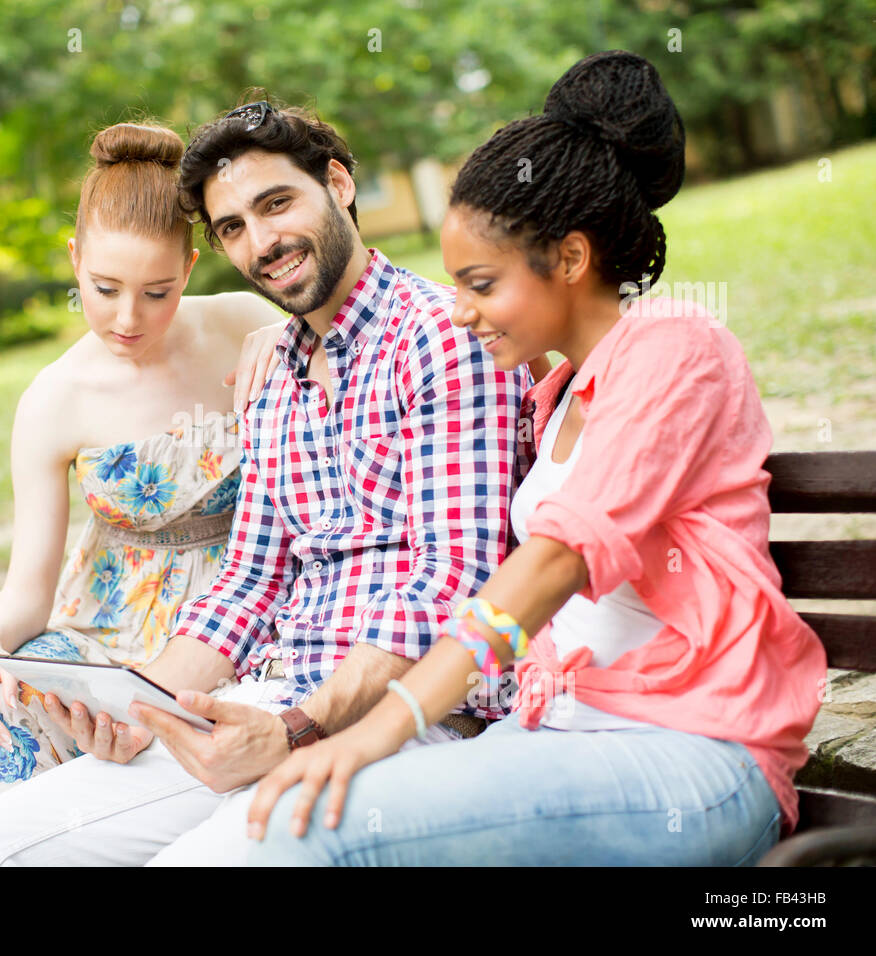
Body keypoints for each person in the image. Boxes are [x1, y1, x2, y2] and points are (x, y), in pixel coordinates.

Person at [245, 50, 828, 866]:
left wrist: (380, 728)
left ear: (572, 258)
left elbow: (558, 558)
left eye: (480, 284)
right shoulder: (552, 392)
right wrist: (265, 336)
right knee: (271, 827)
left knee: (312, 829)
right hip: (557, 735)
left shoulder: (678, 348)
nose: (459, 313)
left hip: (692, 751)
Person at [0, 98, 532, 865]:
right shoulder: (273, 372)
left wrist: (295, 728)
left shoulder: (441, 337)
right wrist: (149, 708)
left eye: (276, 204)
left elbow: (456, 588)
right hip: (262, 700)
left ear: (338, 183)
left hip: (409, 716)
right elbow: (248, 583)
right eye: (235, 227)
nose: (263, 242)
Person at [0, 120, 286, 825]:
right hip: (112, 632)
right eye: (105, 288)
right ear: (74, 261)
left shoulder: (244, 321)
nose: (129, 318)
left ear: (189, 270)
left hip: (252, 606)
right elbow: (28, 587)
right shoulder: (53, 400)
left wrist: (288, 337)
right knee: (10, 705)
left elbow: (335, 348)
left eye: (158, 292)